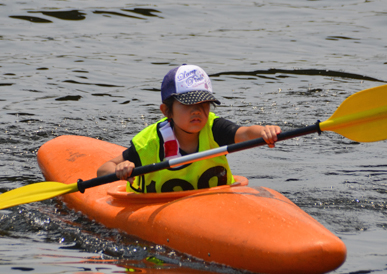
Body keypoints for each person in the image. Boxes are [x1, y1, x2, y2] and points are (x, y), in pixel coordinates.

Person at [97, 64, 281, 193]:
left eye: (204, 104)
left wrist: (264, 132)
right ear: (167, 111)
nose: (197, 111)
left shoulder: (214, 128)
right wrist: (120, 169)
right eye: (188, 104)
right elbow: (103, 170)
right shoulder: (150, 143)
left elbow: (246, 133)